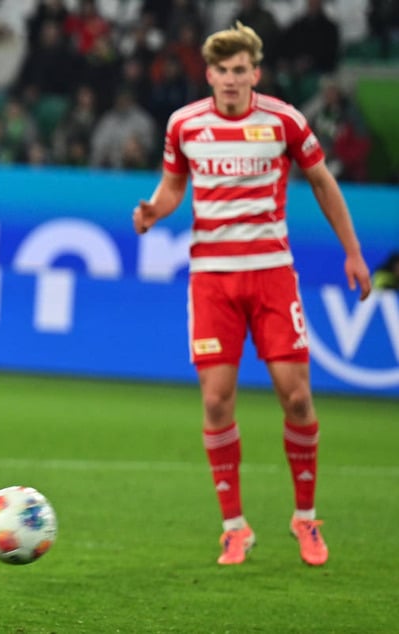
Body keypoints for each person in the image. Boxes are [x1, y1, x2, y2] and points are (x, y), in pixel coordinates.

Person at [132, 22, 372, 567]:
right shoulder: (184, 124)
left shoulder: (284, 121)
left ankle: (305, 518)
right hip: (213, 281)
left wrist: (353, 251)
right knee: (216, 400)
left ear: (255, 74)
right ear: (209, 74)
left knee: (297, 397)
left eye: (240, 70)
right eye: (222, 70)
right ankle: (234, 527)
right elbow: (173, 186)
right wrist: (154, 210)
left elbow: (323, 181)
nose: (231, 79)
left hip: (271, 276)